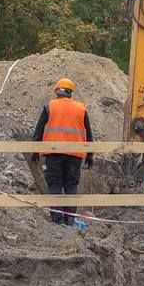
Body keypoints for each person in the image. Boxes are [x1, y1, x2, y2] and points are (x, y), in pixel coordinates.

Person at [32, 78, 93, 225]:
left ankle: (57, 220)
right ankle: (70, 219)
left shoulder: (50, 106)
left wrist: (34, 151)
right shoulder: (81, 109)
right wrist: (90, 155)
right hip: (75, 155)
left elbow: (38, 131)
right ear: (71, 93)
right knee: (71, 186)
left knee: (55, 185)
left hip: (53, 154)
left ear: (57, 92)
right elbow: (88, 134)